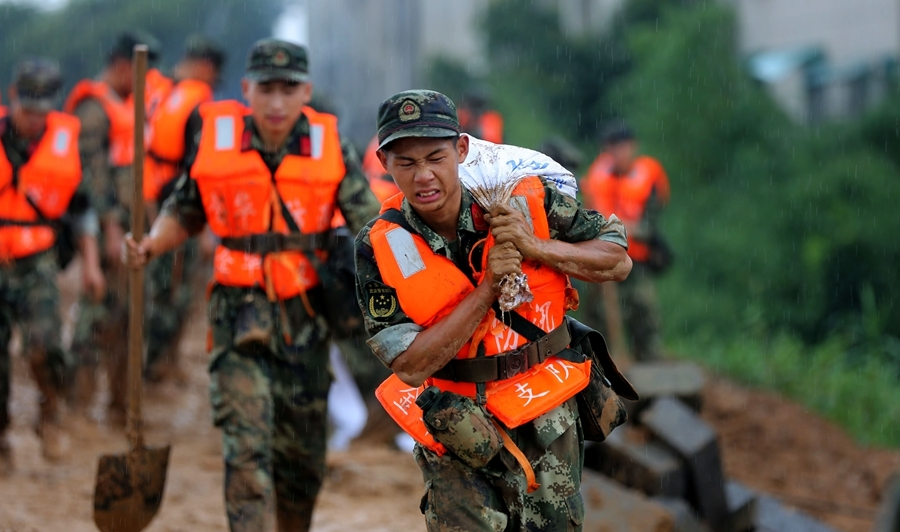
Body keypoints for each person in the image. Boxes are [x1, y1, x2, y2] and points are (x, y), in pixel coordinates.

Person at [123, 38, 380, 531]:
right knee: (246, 449)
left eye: (288, 89)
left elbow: (369, 222)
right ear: (246, 90)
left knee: (301, 463)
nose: (277, 102)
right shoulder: (217, 142)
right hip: (237, 314)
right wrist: (151, 244)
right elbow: (185, 209)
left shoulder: (331, 146)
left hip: (306, 317)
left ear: (306, 90)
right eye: (266, 89)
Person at [355, 90, 632, 530]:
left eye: (435, 157)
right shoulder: (379, 245)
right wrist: (486, 290)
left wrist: (536, 246)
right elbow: (409, 366)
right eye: (406, 163)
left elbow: (618, 259)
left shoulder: (523, 199)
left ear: (462, 150)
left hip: (545, 410)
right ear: (385, 162)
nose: (424, 176)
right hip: (457, 426)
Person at [0, 58, 105, 471]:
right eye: (27, 111)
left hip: (37, 260)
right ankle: (1, 434)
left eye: (42, 112)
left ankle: (49, 413)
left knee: (45, 345)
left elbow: (83, 212)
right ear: (12, 99)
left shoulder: (65, 142)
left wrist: (92, 266)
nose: (34, 121)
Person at [63, 30, 161, 423]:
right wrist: (106, 229)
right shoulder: (94, 108)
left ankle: (121, 405)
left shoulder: (131, 104)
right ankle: (79, 401)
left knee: (133, 316)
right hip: (110, 229)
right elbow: (92, 178)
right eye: (143, 69)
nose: (148, 77)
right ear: (124, 66)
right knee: (99, 316)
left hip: (137, 227)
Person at [142, 35, 226, 383]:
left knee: (160, 292)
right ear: (207, 67)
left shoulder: (159, 89)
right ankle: (155, 369)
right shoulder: (198, 104)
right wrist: (207, 231)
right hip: (177, 208)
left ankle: (157, 365)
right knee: (175, 294)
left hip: (148, 198)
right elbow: (200, 170)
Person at [581, 122, 671, 361]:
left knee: (643, 309)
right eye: (611, 147)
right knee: (600, 314)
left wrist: (626, 228)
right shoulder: (597, 175)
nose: (617, 153)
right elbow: (591, 214)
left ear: (633, 146)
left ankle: (650, 362)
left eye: (622, 147)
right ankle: (600, 365)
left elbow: (650, 222)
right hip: (603, 258)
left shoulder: (649, 175)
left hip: (637, 258)